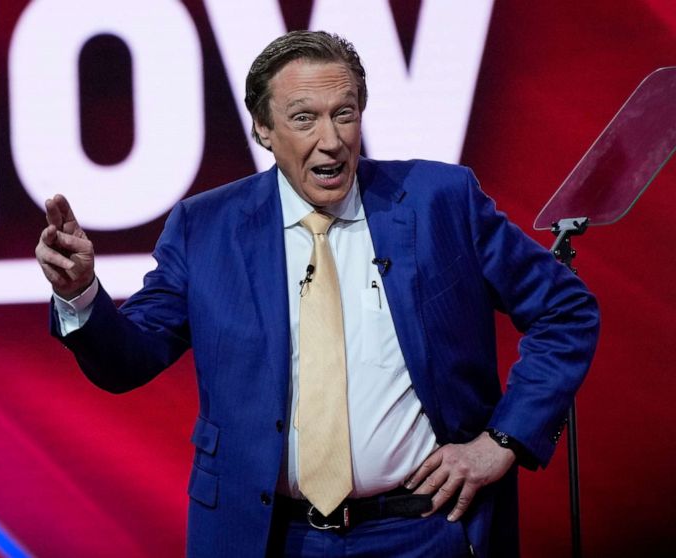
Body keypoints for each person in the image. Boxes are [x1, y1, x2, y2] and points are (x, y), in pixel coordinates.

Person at [35, 30, 599, 558]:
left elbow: (565, 310)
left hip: (428, 531)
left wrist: (502, 440)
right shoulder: (205, 229)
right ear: (263, 129)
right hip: (268, 537)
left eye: (343, 115)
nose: (330, 141)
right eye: (304, 119)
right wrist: (81, 293)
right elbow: (127, 360)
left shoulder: (438, 201)